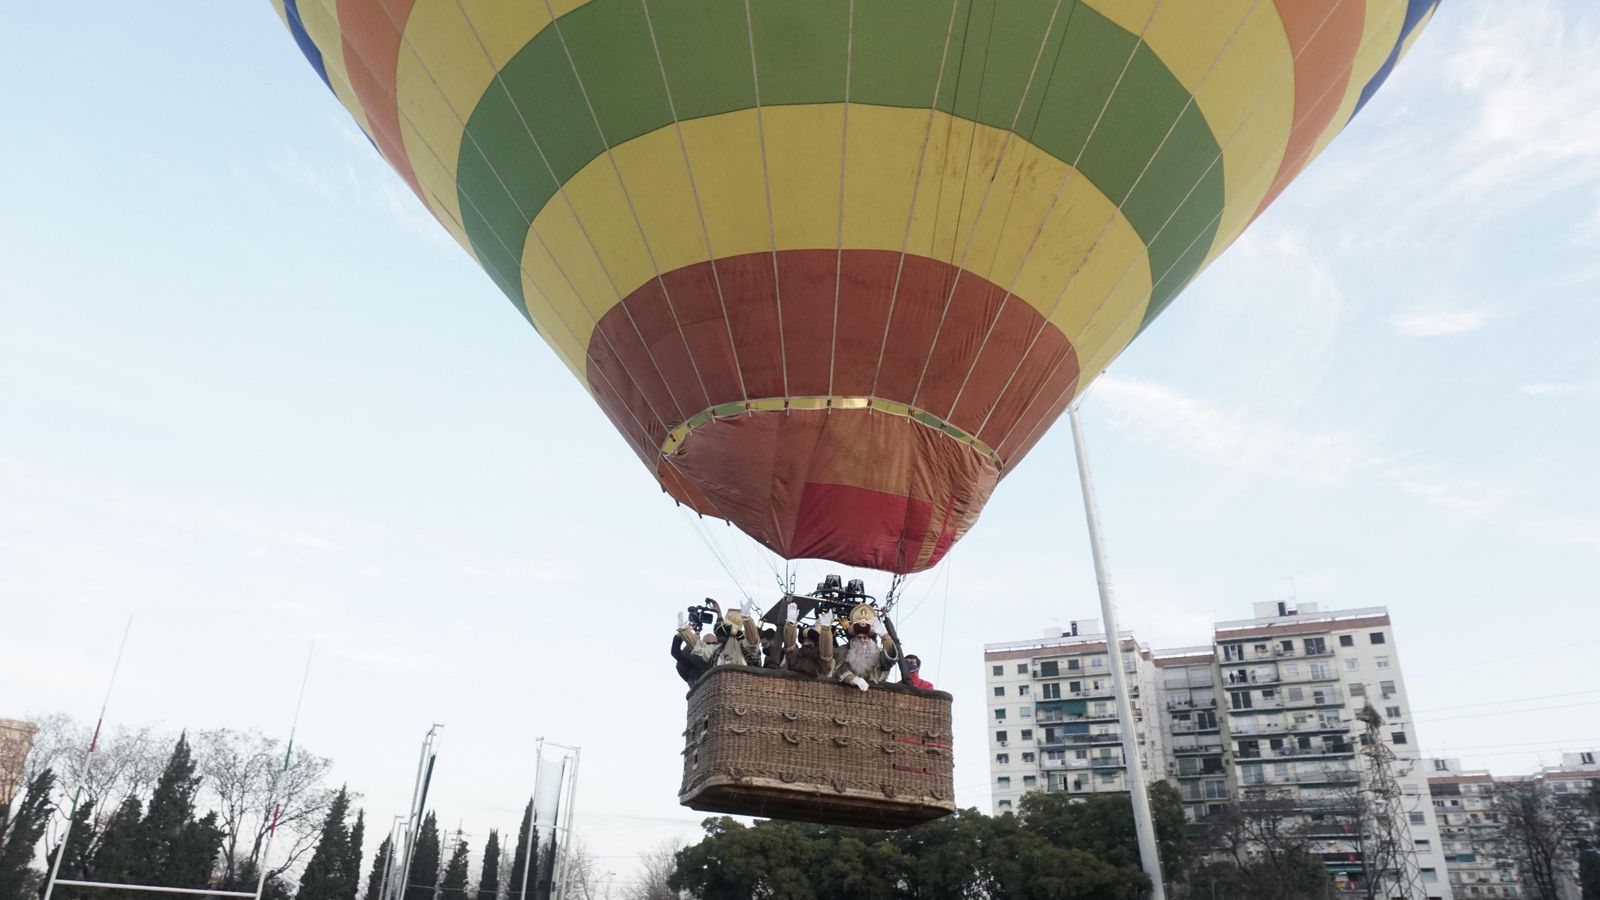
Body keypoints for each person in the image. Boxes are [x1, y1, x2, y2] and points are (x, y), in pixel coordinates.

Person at [827, 603, 898, 691]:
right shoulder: (843, 650)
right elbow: (839, 669)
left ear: (870, 639)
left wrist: (885, 637)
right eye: (859, 638)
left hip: (875, 693)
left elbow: (889, 660)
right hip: (846, 693)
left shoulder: (877, 653)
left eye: (865, 637)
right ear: (853, 639)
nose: (862, 640)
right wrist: (853, 679)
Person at [782, 602, 830, 679]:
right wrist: (791, 624)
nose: (806, 643)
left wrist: (826, 629)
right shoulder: (798, 653)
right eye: (804, 641)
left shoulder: (820, 655)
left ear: (814, 642)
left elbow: (826, 655)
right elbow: (790, 648)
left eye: (809, 641)